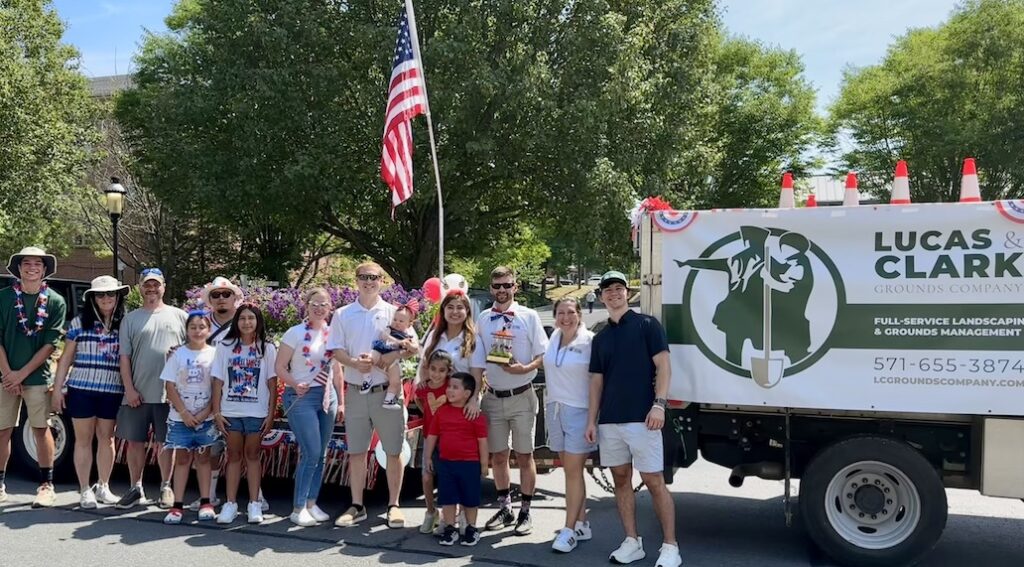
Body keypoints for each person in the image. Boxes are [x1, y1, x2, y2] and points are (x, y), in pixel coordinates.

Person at [585, 271, 681, 567]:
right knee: (621, 480)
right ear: (601, 296)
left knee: (654, 481)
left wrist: (659, 405)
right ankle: (632, 541)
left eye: (619, 288)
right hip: (610, 421)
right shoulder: (600, 337)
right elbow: (596, 382)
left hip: (643, 419)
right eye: (608, 289)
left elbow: (663, 366)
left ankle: (670, 546)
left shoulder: (647, 325)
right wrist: (592, 420)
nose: (613, 293)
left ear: (628, 293)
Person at [330, 262, 417, 529]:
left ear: (382, 281)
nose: (368, 282)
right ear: (356, 280)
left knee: (393, 451)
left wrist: (387, 358)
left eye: (374, 277)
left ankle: (393, 505)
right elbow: (336, 350)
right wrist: (355, 364)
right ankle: (357, 505)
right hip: (356, 391)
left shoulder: (393, 312)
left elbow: (412, 347)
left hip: (385, 392)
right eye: (363, 277)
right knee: (356, 453)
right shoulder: (343, 314)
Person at [471, 266, 548, 535]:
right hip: (493, 397)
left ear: (515, 287)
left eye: (507, 285)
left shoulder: (528, 316)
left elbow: (542, 354)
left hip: (522, 395)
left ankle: (525, 512)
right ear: (491, 288)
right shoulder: (482, 317)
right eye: (497, 286)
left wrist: (525, 368)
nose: (502, 290)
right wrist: (475, 394)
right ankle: (505, 507)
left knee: (525, 456)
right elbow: (478, 360)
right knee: (499, 456)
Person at [52, 275, 128, 508]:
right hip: (82, 388)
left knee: (107, 439)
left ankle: (103, 486)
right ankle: (85, 489)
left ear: (117, 297)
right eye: (100, 294)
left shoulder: (124, 324)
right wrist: (57, 390)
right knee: (83, 440)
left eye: (110, 294)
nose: (106, 298)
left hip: (112, 389)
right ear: (93, 298)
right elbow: (65, 359)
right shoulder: (78, 323)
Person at [0, 247, 67, 507]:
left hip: (37, 376)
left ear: (44, 269)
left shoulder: (55, 301)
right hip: (5, 376)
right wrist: (8, 374)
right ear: (18, 269)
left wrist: (21, 375)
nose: (31, 268)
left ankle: (46, 485)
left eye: (37, 264)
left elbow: (51, 344)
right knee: (3, 430)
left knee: (41, 428)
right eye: (26, 263)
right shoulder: (4, 298)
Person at [116, 267, 187, 510]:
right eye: (147, 284)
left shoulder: (180, 316)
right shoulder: (131, 319)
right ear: (140, 287)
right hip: (137, 393)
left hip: (169, 395)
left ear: (164, 287)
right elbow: (124, 357)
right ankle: (136, 487)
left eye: (156, 284)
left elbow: (191, 354)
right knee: (134, 443)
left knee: (165, 442)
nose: (152, 288)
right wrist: (129, 389)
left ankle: (166, 486)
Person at [277, 288, 343, 527]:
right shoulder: (294, 333)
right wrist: (295, 382)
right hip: (301, 397)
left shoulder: (333, 334)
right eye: (315, 303)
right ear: (306, 305)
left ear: (330, 308)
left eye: (324, 304)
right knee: (311, 451)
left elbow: (337, 369)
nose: (319, 308)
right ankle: (298, 507)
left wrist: (342, 401)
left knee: (321, 453)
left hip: (327, 396)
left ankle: (312, 503)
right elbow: (280, 367)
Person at [211, 303, 278, 525]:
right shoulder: (225, 346)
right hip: (231, 412)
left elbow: (272, 383)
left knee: (252, 456)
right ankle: (230, 503)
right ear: (236, 322)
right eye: (242, 318)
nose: (247, 322)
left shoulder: (267, 349)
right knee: (233, 456)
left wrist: (270, 414)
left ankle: (254, 503)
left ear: (258, 322)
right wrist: (217, 411)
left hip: (256, 412)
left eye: (251, 318)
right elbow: (218, 380)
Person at [544, 297, 597, 553]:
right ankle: (582, 524)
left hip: (579, 412)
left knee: (573, 472)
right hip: (555, 409)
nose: (566, 317)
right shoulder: (554, 337)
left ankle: (567, 531)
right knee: (571, 472)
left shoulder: (589, 341)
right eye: (561, 313)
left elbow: (599, 381)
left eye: (570, 312)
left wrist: (592, 419)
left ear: (579, 314)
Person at [161, 310, 219, 524]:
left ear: (208, 330)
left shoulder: (214, 354)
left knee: (203, 458)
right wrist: (184, 413)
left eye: (201, 327)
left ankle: (206, 501)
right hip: (180, 418)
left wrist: (206, 412)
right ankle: (177, 505)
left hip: (206, 417)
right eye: (193, 327)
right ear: (186, 330)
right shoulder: (178, 354)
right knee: (183, 459)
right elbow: (169, 384)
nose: (197, 331)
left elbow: (217, 387)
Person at [423, 372, 488, 547]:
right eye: (449, 386)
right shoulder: (442, 411)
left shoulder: (475, 415)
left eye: (455, 387)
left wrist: (483, 464)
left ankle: (471, 528)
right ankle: (450, 528)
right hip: (446, 463)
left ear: (467, 394)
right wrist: (428, 457)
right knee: (448, 497)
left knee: (470, 498)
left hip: (469, 464)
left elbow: (482, 441)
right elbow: (432, 435)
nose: (449, 390)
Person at [415, 349, 454, 535]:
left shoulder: (450, 388)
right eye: (433, 369)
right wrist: (428, 417)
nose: (436, 374)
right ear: (427, 368)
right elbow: (419, 401)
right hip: (429, 437)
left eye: (441, 370)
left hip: (448, 439)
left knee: (447, 478)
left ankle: (447, 518)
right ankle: (431, 512)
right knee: (427, 476)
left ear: (448, 372)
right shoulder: (423, 388)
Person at [368, 303, 419, 410]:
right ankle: (366, 379)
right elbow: (384, 336)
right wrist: (398, 342)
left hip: (393, 362)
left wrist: (409, 345)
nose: (396, 323)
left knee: (395, 382)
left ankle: (389, 400)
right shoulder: (390, 330)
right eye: (395, 319)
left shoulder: (408, 336)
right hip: (382, 351)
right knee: (369, 358)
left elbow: (415, 349)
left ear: (409, 324)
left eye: (401, 321)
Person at [420, 291, 476, 375]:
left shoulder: (474, 340)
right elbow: (423, 367)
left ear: (467, 310)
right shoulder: (434, 335)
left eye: (459, 307)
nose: (455, 311)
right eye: (450, 307)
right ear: (443, 309)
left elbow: (477, 380)